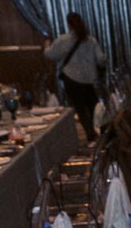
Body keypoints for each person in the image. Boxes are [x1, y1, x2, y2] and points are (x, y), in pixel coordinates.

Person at [43, 12, 106, 143]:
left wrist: (46, 46)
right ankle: (104, 132)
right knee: (94, 107)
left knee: (81, 109)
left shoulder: (63, 40)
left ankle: (91, 136)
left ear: (69, 24)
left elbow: (50, 55)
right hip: (89, 79)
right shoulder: (91, 40)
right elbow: (101, 59)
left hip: (71, 78)